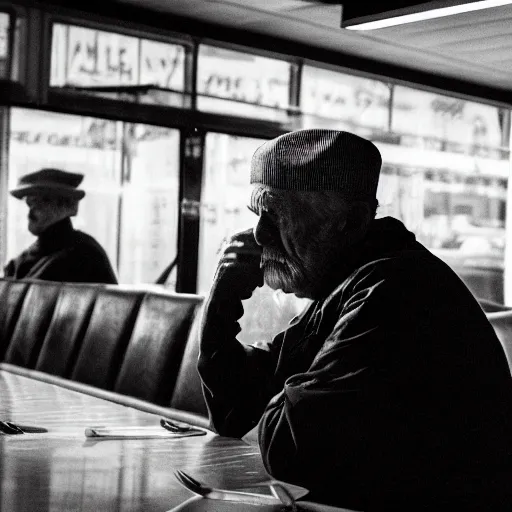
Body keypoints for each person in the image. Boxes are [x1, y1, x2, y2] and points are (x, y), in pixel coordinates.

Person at [197, 129, 512, 510]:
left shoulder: (394, 290)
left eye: (278, 214)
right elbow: (233, 412)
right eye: (257, 214)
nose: (259, 234)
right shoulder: (351, 279)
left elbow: (291, 448)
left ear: (351, 222)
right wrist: (221, 298)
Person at [3, 168, 118, 284]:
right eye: (30, 203)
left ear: (67, 206)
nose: (31, 212)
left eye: (43, 201)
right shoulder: (21, 261)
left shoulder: (82, 254)